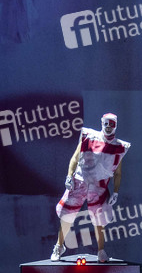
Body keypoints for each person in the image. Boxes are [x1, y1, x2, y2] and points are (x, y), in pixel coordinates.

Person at [52, 112, 130, 263]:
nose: (108, 126)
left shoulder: (119, 147)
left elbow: (118, 173)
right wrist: (69, 176)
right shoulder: (88, 136)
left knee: (100, 219)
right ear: (101, 122)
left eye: (111, 124)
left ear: (116, 125)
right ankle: (59, 246)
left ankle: (101, 250)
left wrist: (115, 191)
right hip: (79, 181)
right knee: (67, 215)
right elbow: (75, 158)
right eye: (106, 123)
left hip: (99, 186)